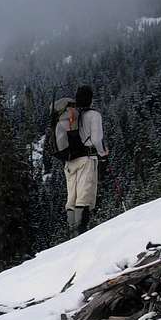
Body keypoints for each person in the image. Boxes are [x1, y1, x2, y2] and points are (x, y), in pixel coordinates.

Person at [57, 84, 109, 236]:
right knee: (84, 197)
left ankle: (72, 234)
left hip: (69, 161)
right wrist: (103, 154)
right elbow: (96, 139)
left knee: (71, 199)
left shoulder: (70, 115)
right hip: (87, 159)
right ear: (91, 99)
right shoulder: (94, 115)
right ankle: (82, 234)